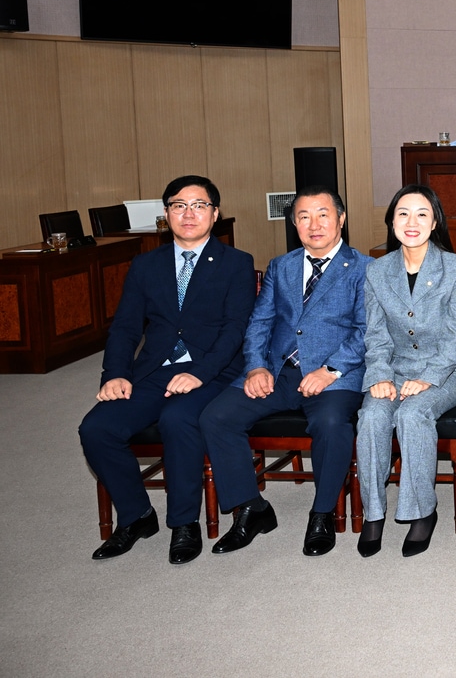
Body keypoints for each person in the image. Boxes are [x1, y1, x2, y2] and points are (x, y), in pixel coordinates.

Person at [79, 175, 255, 564]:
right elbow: (126, 327)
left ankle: (183, 524)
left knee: (178, 418)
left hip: (213, 369)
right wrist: (115, 374)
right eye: (179, 206)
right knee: (97, 427)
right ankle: (137, 515)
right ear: (166, 214)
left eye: (199, 205)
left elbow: (235, 330)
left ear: (215, 213)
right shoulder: (145, 265)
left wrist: (200, 373)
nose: (188, 214)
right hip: (155, 369)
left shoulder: (236, 263)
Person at [201, 185, 370, 557]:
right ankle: (252, 508)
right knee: (216, 416)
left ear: (341, 219)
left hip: (335, 376)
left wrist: (330, 369)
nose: (314, 224)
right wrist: (256, 367)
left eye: (323, 214)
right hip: (280, 371)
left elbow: (367, 331)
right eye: (304, 217)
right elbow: (259, 322)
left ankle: (322, 513)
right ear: (294, 224)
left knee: (330, 425)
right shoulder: (282, 265)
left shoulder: (364, 268)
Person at [354, 185, 456, 558]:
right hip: (396, 368)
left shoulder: (455, 267)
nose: (412, 222)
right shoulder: (377, 271)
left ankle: (423, 510)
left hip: (447, 371)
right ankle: (374, 513)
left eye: (422, 213)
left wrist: (429, 378)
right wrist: (379, 375)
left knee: (413, 412)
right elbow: (375, 334)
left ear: (435, 221)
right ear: (391, 222)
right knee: (372, 416)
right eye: (403, 213)